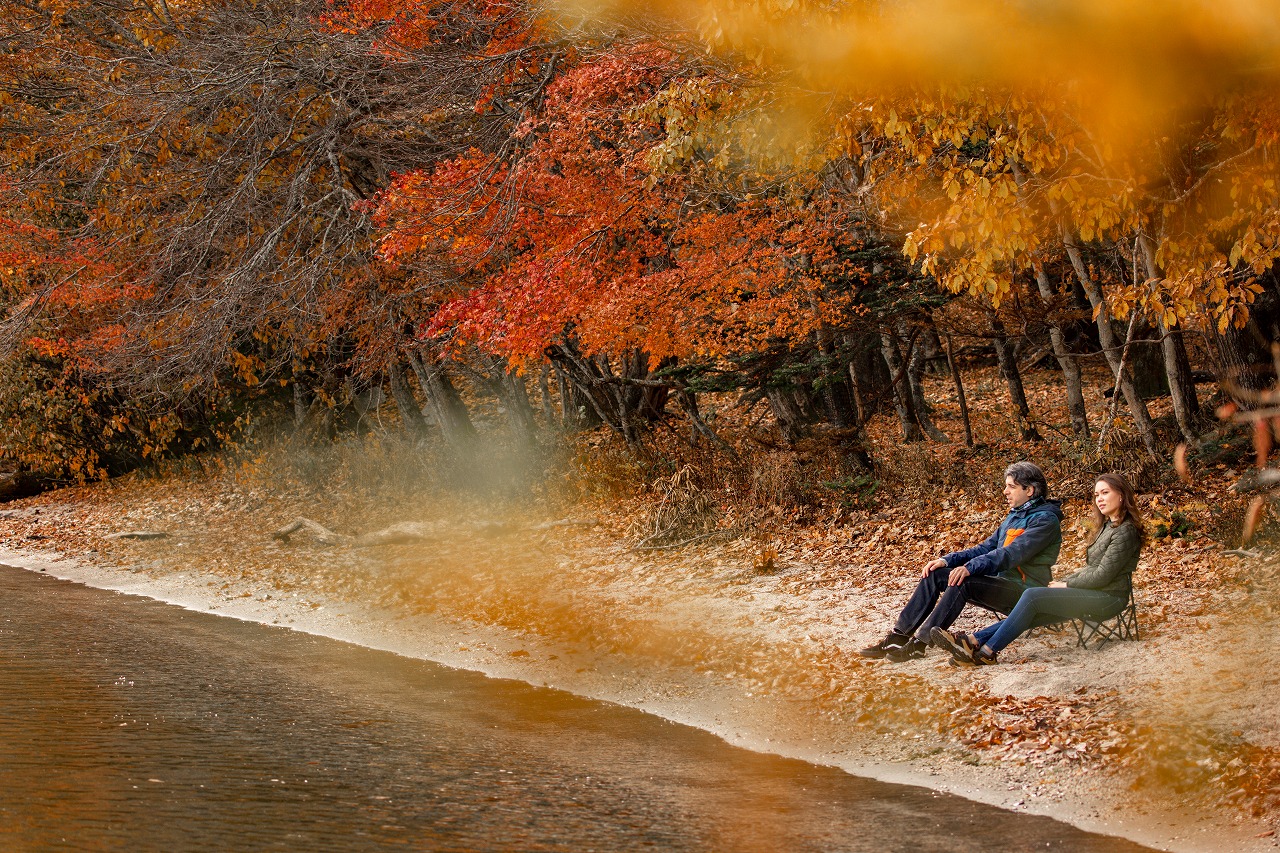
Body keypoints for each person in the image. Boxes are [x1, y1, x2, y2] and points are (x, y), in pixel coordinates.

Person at [859, 461, 1064, 663]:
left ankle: (919, 645)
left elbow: (1011, 554)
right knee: (936, 574)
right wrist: (946, 560)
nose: (1005, 492)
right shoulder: (1015, 516)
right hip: (1002, 584)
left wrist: (969, 568)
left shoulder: (1045, 520)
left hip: (1024, 592)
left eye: (1011, 486)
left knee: (963, 582)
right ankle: (898, 637)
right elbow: (985, 548)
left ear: (1029, 490)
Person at [932, 472, 1144, 666]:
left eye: (1105, 493)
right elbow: (1092, 569)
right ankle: (973, 642)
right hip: (1093, 592)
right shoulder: (1107, 526)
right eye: (1097, 494)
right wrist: (1065, 582)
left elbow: (1103, 574)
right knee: (1033, 609)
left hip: (1109, 598)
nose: (1099, 499)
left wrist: (1066, 584)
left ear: (1122, 495)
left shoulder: (1126, 531)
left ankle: (988, 651)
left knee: (1033, 596)